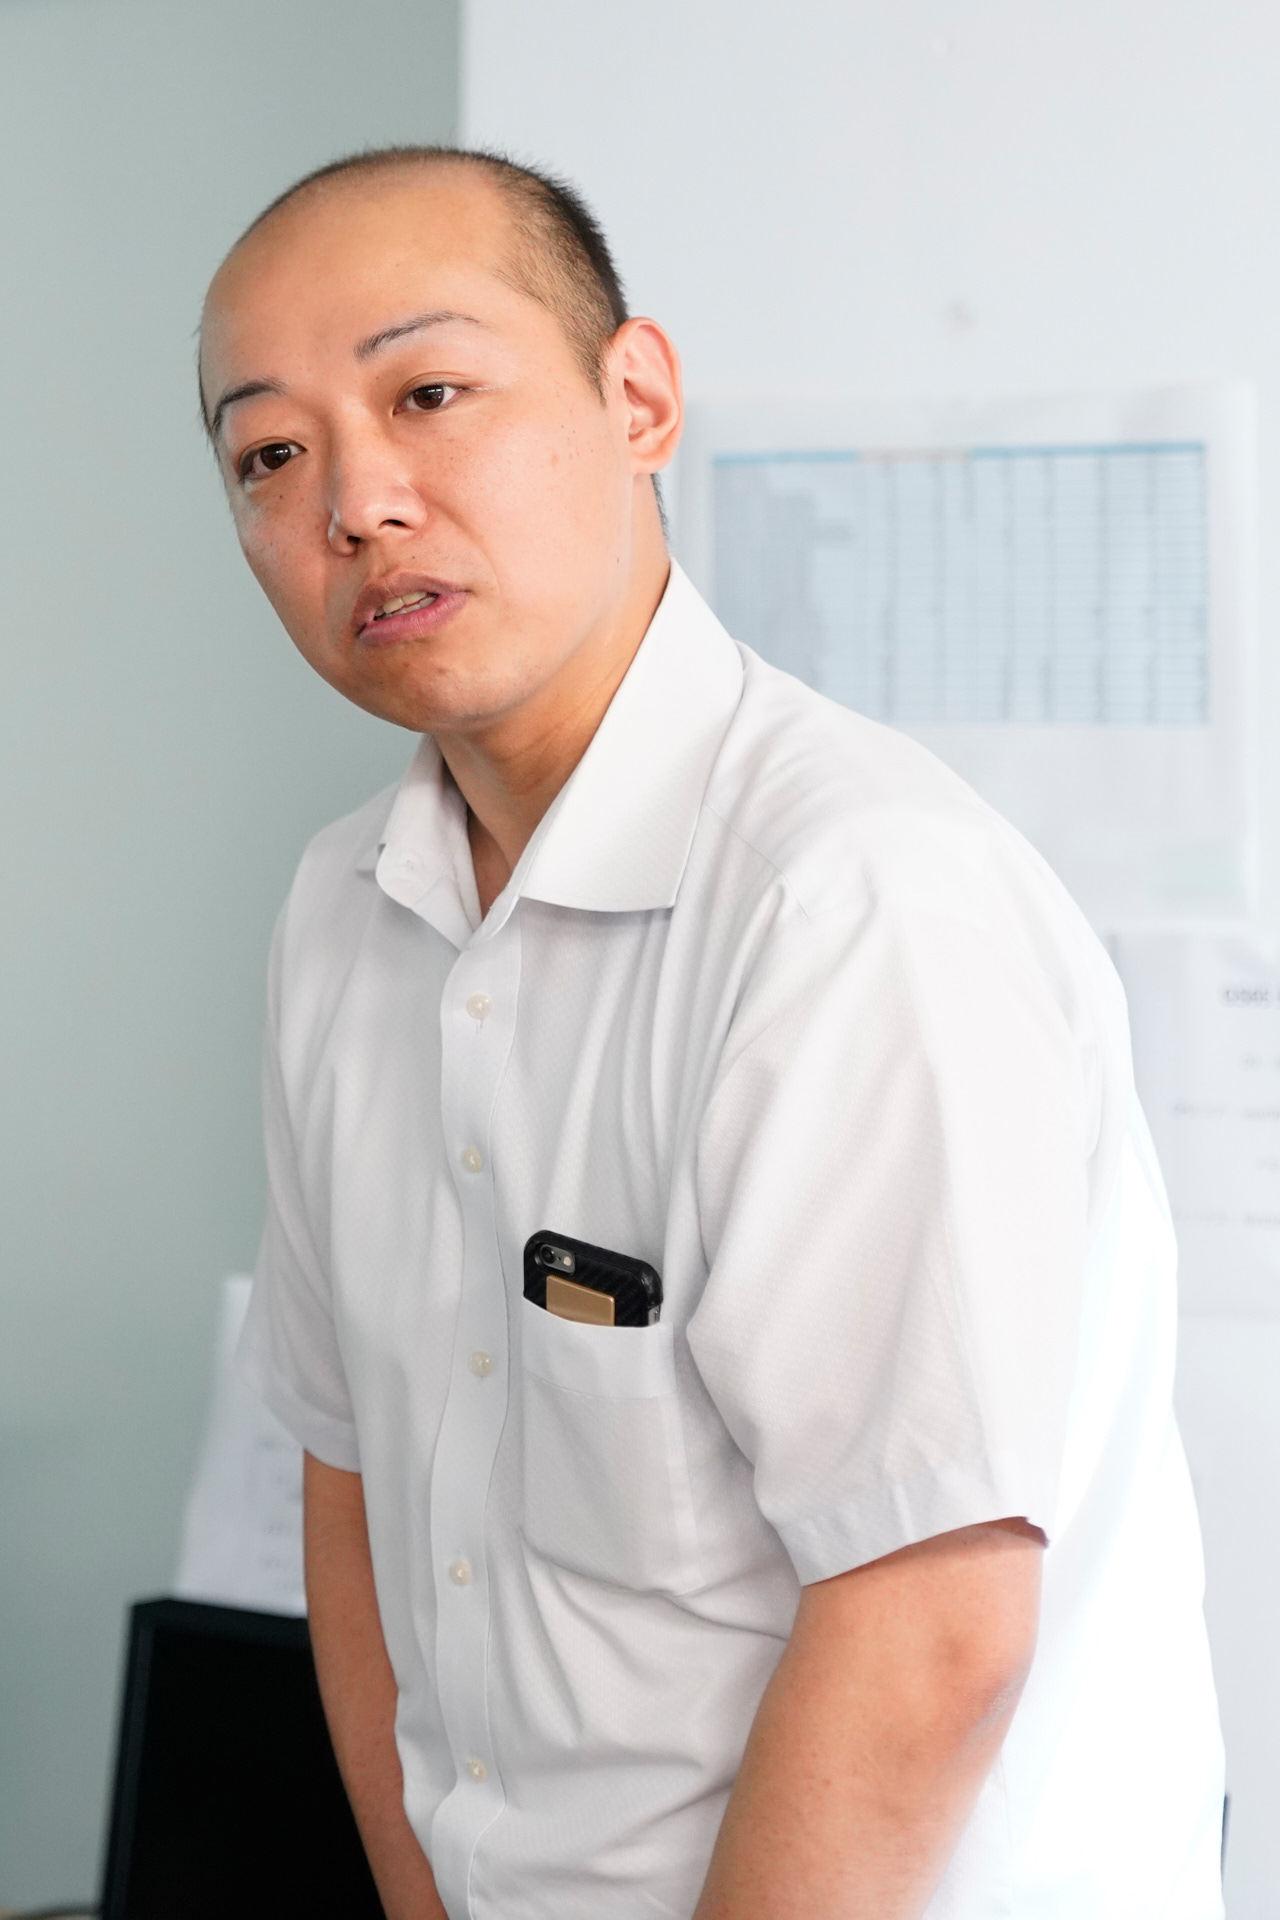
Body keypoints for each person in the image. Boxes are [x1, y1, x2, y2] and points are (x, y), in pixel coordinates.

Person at [201, 146, 1225, 1919]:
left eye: (428, 394)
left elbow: (929, 1628)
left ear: (640, 400)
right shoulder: (341, 913)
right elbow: (349, 1473)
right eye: (270, 456)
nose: (357, 503)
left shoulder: (854, 898)